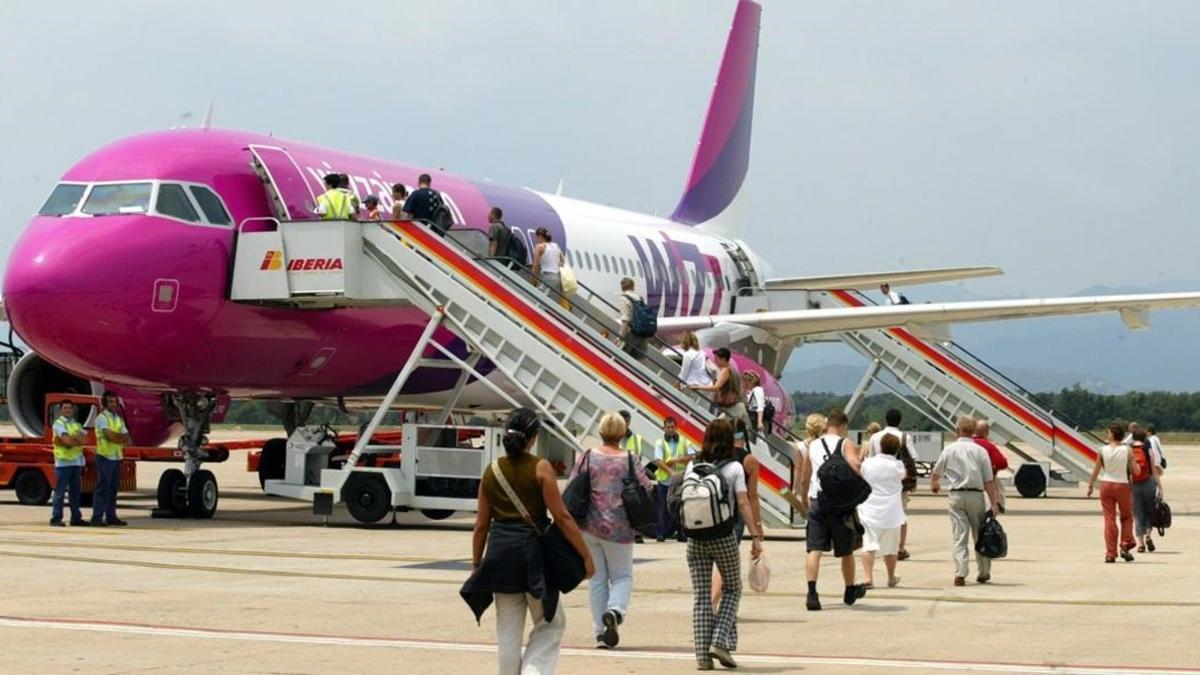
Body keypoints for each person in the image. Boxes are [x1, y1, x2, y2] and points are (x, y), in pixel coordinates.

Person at [460, 408, 594, 674]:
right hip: (533, 557)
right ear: (533, 437)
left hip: (500, 557)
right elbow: (562, 517)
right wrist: (585, 555)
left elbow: (481, 526)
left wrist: (477, 564)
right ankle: (534, 671)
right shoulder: (540, 467)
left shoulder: (491, 471)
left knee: (508, 632)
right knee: (550, 624)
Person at [569, 412, 656, 649]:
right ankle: (615, 611)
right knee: (622, 576)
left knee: (597, 580)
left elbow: (573, 483)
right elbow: (646, 486)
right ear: (622, 432)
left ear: (601, 431)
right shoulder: (629, 458)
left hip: (589, 526)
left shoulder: (586, 456)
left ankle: (600, 633)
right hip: (620, 528)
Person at [685, 418, 764, 670]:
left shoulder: (692, 464)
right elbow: (743, 502)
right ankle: (719, 640)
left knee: (701, 597)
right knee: (732, 588)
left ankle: (702, 657)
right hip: (723, 535)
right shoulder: (734, 468)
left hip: (695, 537)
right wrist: (755, 535)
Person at [797, 411, 867, 611]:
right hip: (840, 504)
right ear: (844, 426)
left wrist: (804, 497)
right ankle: (849, 589)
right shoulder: (845, 443)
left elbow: (805, 475)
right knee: (846, 550)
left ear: (827, 424)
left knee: (814, 549)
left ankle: (812, 593)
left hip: (817, 500)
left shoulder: (813, 445)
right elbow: (855, 465)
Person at [930, 415, 1001, 586]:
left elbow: (936, 472)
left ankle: (960, 573)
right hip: (976, 495)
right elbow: (989, 481)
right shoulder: (980, 451)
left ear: (957, 430)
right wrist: (994, 503)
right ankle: (983, 572)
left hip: (956, 495)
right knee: (980, 535)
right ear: (973, 431)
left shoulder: (949, 449)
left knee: (959, 535)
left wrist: (935, 484)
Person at [858, 434, 907, 588]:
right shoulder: (898, 466)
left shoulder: (868, 464)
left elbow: (861, 476)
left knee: (869, 545)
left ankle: (868, 577)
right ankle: (891, 576)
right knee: (891, 547)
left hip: (869, 509)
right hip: (891, 511)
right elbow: (902, 477)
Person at [868, 408, 917, 559]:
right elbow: (912, 459)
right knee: (901, 515)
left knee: (876, 513)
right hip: (898, 481)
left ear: (885, 420)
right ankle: (900, 548)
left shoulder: (875, 437)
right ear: (899, 421)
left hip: (878, 482)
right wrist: (913, 482)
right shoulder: (904, 437)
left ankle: (875, 545)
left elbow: (870, 458)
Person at [1086, 423, 1136, 563]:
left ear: (1113, 434)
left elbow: (1096, 469)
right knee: (1126, 517)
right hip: (1122, 485)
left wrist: (1091, 484)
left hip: (1106, 484)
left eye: (1108, 432)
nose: (1106, 435)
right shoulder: (1127, 450)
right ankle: (1125, 544)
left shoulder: (1102, 450)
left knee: (1109, 519)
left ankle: (1110, 553)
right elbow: (1134, 470)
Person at [92, 391, 130, 527]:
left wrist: (118, 437)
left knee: (113, 488)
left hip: (116, 457)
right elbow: (110, 436)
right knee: (103, 488)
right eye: (111, 402)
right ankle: (97, 517)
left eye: (115, 402)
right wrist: (119, 437)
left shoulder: (118, 418)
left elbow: (127, 437)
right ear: (104, 403)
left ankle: (111, 516)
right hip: (104, 457)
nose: (114, 404)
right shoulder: (102, 418)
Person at [652, 417, 693, 542]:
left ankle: (682, 533)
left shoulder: (685, 442)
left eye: (672, 427)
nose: (670, 429)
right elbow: (658, 461)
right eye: (668, 427)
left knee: (681, 507)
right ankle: (661, 533)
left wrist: (677, 460)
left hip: (680, 481)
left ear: (676, 428)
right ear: (664, 428)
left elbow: (692, 456)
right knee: (663, 508)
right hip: (665, 481)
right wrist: (671, 472)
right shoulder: (660, 442)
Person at [49, 400, 88, 527]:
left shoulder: (76, 424)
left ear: (73, 410)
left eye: (70, 408)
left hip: (76, 462)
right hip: (63, 463)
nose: (68, 410)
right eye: (65, 408)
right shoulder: (58, 424)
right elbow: (67, 441)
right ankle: (56, 518)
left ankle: (76, 518)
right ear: (60, 410)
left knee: (75, 492)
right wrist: (75, 440)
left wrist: (71, 440)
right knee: (60, 492)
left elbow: (85, 439)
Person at [689, 348, 748, 430]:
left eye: (716, 358)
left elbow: (716, 387)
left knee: (714, 429)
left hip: (733, 408)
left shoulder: (726, 370)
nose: (714, 360)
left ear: (723, 359)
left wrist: (698, 387)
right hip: (737, 406)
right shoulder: (734, 371)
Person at [1128, 430, 1164, 554]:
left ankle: (1141, 544)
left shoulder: (1129, 451)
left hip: (1135, 484)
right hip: (1148, 482)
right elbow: (1153, 470)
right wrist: (1160, 486)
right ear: (1145, 438)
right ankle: (1148, 535)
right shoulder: (1148, 450)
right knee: (1150, 511)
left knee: (1138, 514)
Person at [973, 420, 1009, 513]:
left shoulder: (966, 444)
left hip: (966, 483)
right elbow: (1002, 463)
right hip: (986, 481)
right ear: (987, 432)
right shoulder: (988, 446)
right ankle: (998, 505)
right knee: (998, 491)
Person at [617, 277, 647, 358]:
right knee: (638, 360)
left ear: (622, 287)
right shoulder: (639, 298)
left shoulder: (624, 298)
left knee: (620, 358)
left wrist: (620, 338)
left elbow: (625, 321)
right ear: (633, 287)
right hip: (642, 333)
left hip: (632, 334)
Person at [531, 227, 565, 297]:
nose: (536, 239)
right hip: (557, 277)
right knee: (550, 301)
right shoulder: (556, 245)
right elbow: (562, 261)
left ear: (540, 236)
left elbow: (535, 265)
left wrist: (533, 279)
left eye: (537, 237)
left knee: (538, 299)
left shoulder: (539, 247)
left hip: (547, 276)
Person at [742, 371, 767, 441]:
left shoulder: (757, 390)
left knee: (751, 437)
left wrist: (759, 422)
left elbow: (760, 406)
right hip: (751, 416)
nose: (745, 384)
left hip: (754, 417)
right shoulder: (751, 391)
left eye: (746, 382)